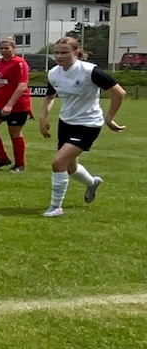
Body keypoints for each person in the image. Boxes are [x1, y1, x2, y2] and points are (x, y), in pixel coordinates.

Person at [38, 36, 126, 217]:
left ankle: (56, 207)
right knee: (70, 168)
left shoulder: (89, 71)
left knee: (58, 162)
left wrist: (109, 118)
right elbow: (50, 96)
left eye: (64, 52)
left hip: (88, 124)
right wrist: (43, 118)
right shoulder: (54, 73)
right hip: (66, 123)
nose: (59, 56)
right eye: (56, 52)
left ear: (76, 52)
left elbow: (119, 92)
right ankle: (92, 183)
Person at [0, 38, 31, 171]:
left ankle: (20, 164)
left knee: (14, 133)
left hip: (18, 105)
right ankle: (2, 158)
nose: (4, 51)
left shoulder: (19, 63)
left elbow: (22, 86)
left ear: (13, 49)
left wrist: (9, 105)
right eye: (1, 48)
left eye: (7, 48)